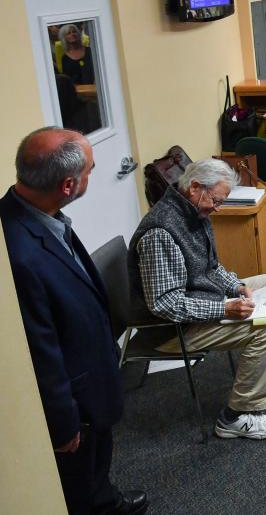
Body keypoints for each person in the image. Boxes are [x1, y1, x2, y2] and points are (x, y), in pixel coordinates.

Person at [130, 159, 266, 440]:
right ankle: (237, 416)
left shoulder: (192, 212)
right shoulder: (160, 232)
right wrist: (225, 308)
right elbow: (165, 305)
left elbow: (210, 267)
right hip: (172, 330)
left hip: (201, 302)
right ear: (195, 187)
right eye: (217, 201)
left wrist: (236, 287)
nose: (218, 208)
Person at [1, 128, 148, 514]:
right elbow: (39, 347)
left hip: (92, 374)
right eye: (89, 171)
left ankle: (106, 498)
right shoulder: (16, 252)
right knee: (79, 478)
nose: (92, 176)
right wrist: (63, 422)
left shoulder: (42, 215)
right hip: (73, 399)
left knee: (97, 465)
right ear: (68, 185)